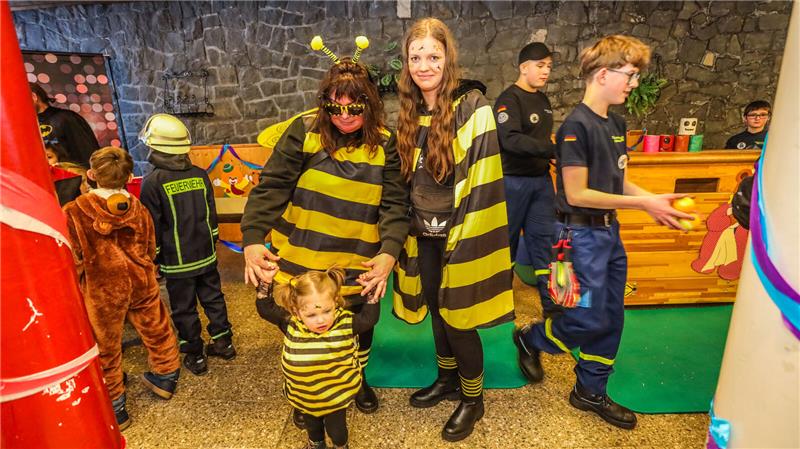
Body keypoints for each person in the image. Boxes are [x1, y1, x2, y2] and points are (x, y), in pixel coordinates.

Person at [513, 35, 694, 430]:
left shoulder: (615, 120)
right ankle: (532, 338)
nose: (633, 83)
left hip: (609, 236)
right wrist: (645, 205)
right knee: (585, 318)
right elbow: (577, 193)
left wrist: (653, 199)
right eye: (629, 75)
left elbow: (616, 182)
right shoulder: (576, 127)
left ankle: (589, 392)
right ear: (602, 74)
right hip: (576, 240)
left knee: (611, 317)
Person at [240, 40, 409, 426]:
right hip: (304, 257)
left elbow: (395, 205)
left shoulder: (386, 143)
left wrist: (389, 252)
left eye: (355, 107)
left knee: (357, 325)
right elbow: (272, 187)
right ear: (323, 103)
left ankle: (356, 378)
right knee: (305, 326)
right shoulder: (303, 132)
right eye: (335, 107)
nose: (345, 116)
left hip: (357, 257)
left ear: (370, 103)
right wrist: (252, 239)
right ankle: (307, 390)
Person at [393, 18, 515, 442]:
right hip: (422, 233)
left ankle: (473, 400)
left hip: (461, 233)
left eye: (433, 56)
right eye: (415, 57)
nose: (424, 65)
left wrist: (464, 239)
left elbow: (483, 181)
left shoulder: (474, 107)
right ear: (406, 62)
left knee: (460, 318)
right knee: (436, 310)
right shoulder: (410, 111)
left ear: (448, 59)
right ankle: (447, 380)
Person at [63, 146, 181, 431]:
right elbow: (151, 246)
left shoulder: (75, 211)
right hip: (140, 279)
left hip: (102, 287)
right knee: (156, 327)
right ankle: (166, 375)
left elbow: (73, 255)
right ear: (129, 176)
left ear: (91, 175)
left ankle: (116, 406)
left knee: (106, 345)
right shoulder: (138, 209)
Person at [139, 113, 235, 376]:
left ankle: (195, 354)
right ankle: (224, 343)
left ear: (154, 146)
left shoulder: (152, 182)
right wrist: (213, 240)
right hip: (206, 254)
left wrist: (154, 258)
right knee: (214, 298)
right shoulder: (200, 173)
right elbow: (210, 211)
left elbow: (153, 227)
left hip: (177, 262)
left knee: (184, 307)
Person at [256, 266, 378, 449]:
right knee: (313, 429)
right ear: (296, 312)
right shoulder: (292, 324)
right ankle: (316, 444)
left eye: (327, 311)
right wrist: (265, 284)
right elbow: (266, 309)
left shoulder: (345, 324)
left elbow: (369, 319)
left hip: (335, 396)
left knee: (337, 431)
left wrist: (372, 292)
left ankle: (341, 445)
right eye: (311, 314)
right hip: (304, 396)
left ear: (336, 303)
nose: (321, 320)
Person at [494, 42, 561, 318]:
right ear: (524, 67)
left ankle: (554, 304)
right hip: (512, 183)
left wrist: (554, 156)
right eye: (540, 66)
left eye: (548, 67)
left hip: (542, 183)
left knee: (547, 243)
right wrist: (552, 149)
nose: (546, 72)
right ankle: (498, 305)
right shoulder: (508, 99)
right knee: (505, 244)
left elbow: (540, 141)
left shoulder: (543, 101)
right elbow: (510, 141)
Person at [30, 83, 100, 167]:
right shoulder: (28, 125)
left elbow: (88, 152)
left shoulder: (67, 118)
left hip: (74, 176)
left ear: (34, 96)